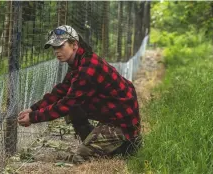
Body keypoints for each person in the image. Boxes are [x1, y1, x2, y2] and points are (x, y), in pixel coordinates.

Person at [18, 25, 141, 164]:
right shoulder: (78, 62)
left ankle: (126, 147)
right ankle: (101, 143)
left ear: (74, 44)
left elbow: (68, 103)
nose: (57, 52)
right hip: (111, 115)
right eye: (54, 48)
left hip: (121, 122)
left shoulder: (87, 67)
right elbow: (62, 90)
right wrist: (33, 109)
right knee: (75, 109)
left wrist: (33, 118)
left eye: (60, 46)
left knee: (80, 158)